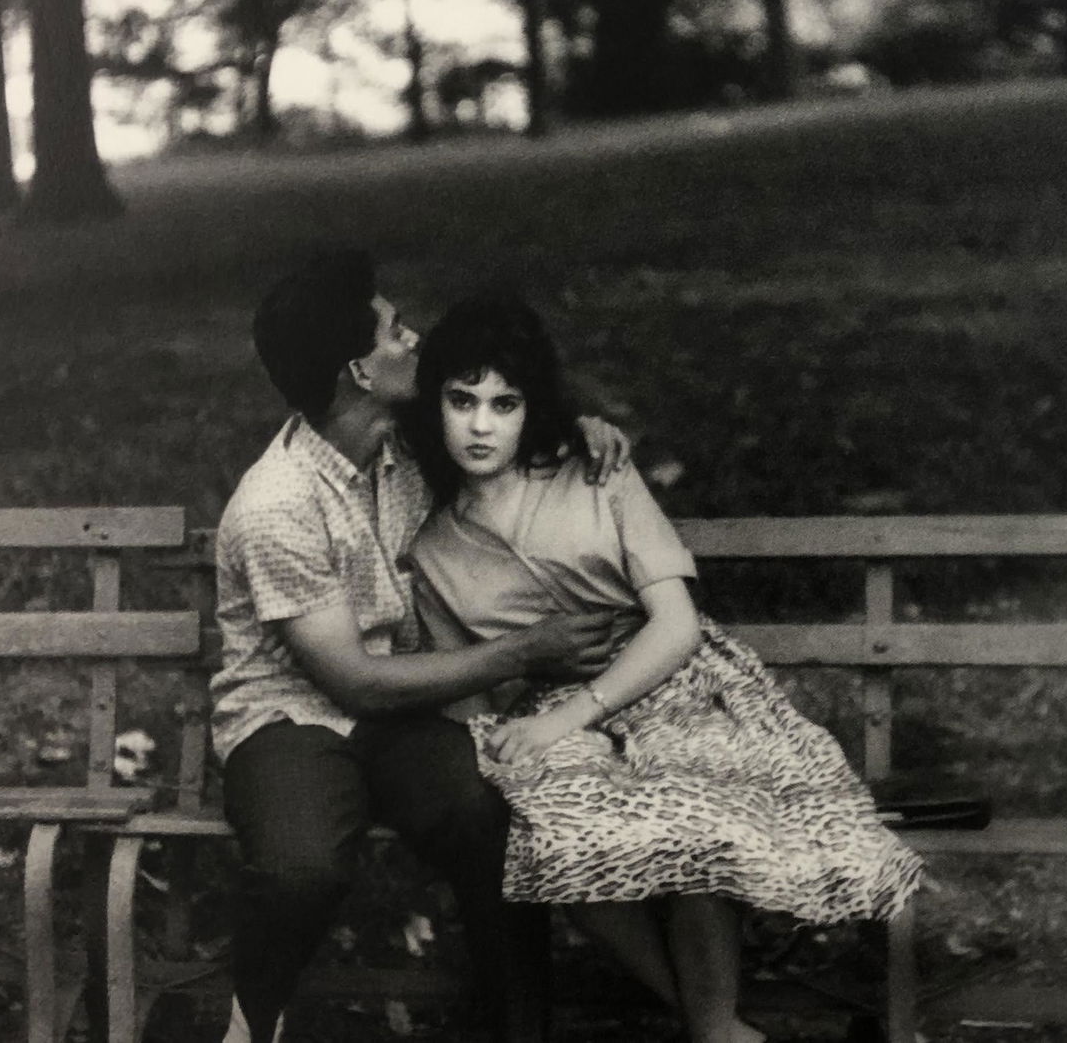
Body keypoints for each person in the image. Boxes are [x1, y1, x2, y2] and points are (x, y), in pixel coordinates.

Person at [402, 294, 925, 1043]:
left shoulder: (593, 471)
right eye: (462, 400)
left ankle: (714, 1030)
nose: (482, 425)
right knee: (555, 833)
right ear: (436, 404)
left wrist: (577, 710)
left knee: (695, 812)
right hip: (551, 709)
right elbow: (476, 683)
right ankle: (715, 1027)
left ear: (531, 407)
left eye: (504, 403)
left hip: (676, 681)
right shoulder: (433, 544)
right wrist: (514, 737)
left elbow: (675, 624)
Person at [210, 251, 631, 1043]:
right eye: (395, 330)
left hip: (405, 712)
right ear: (358, 374)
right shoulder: (274, 507)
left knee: (492, 823)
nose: (414, 338)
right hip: (290, 718)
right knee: (304, 869)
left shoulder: (408, 440)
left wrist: (575, 426)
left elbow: (499, 420)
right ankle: (253, 1016)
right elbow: (356, 685)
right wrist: (527, 650)